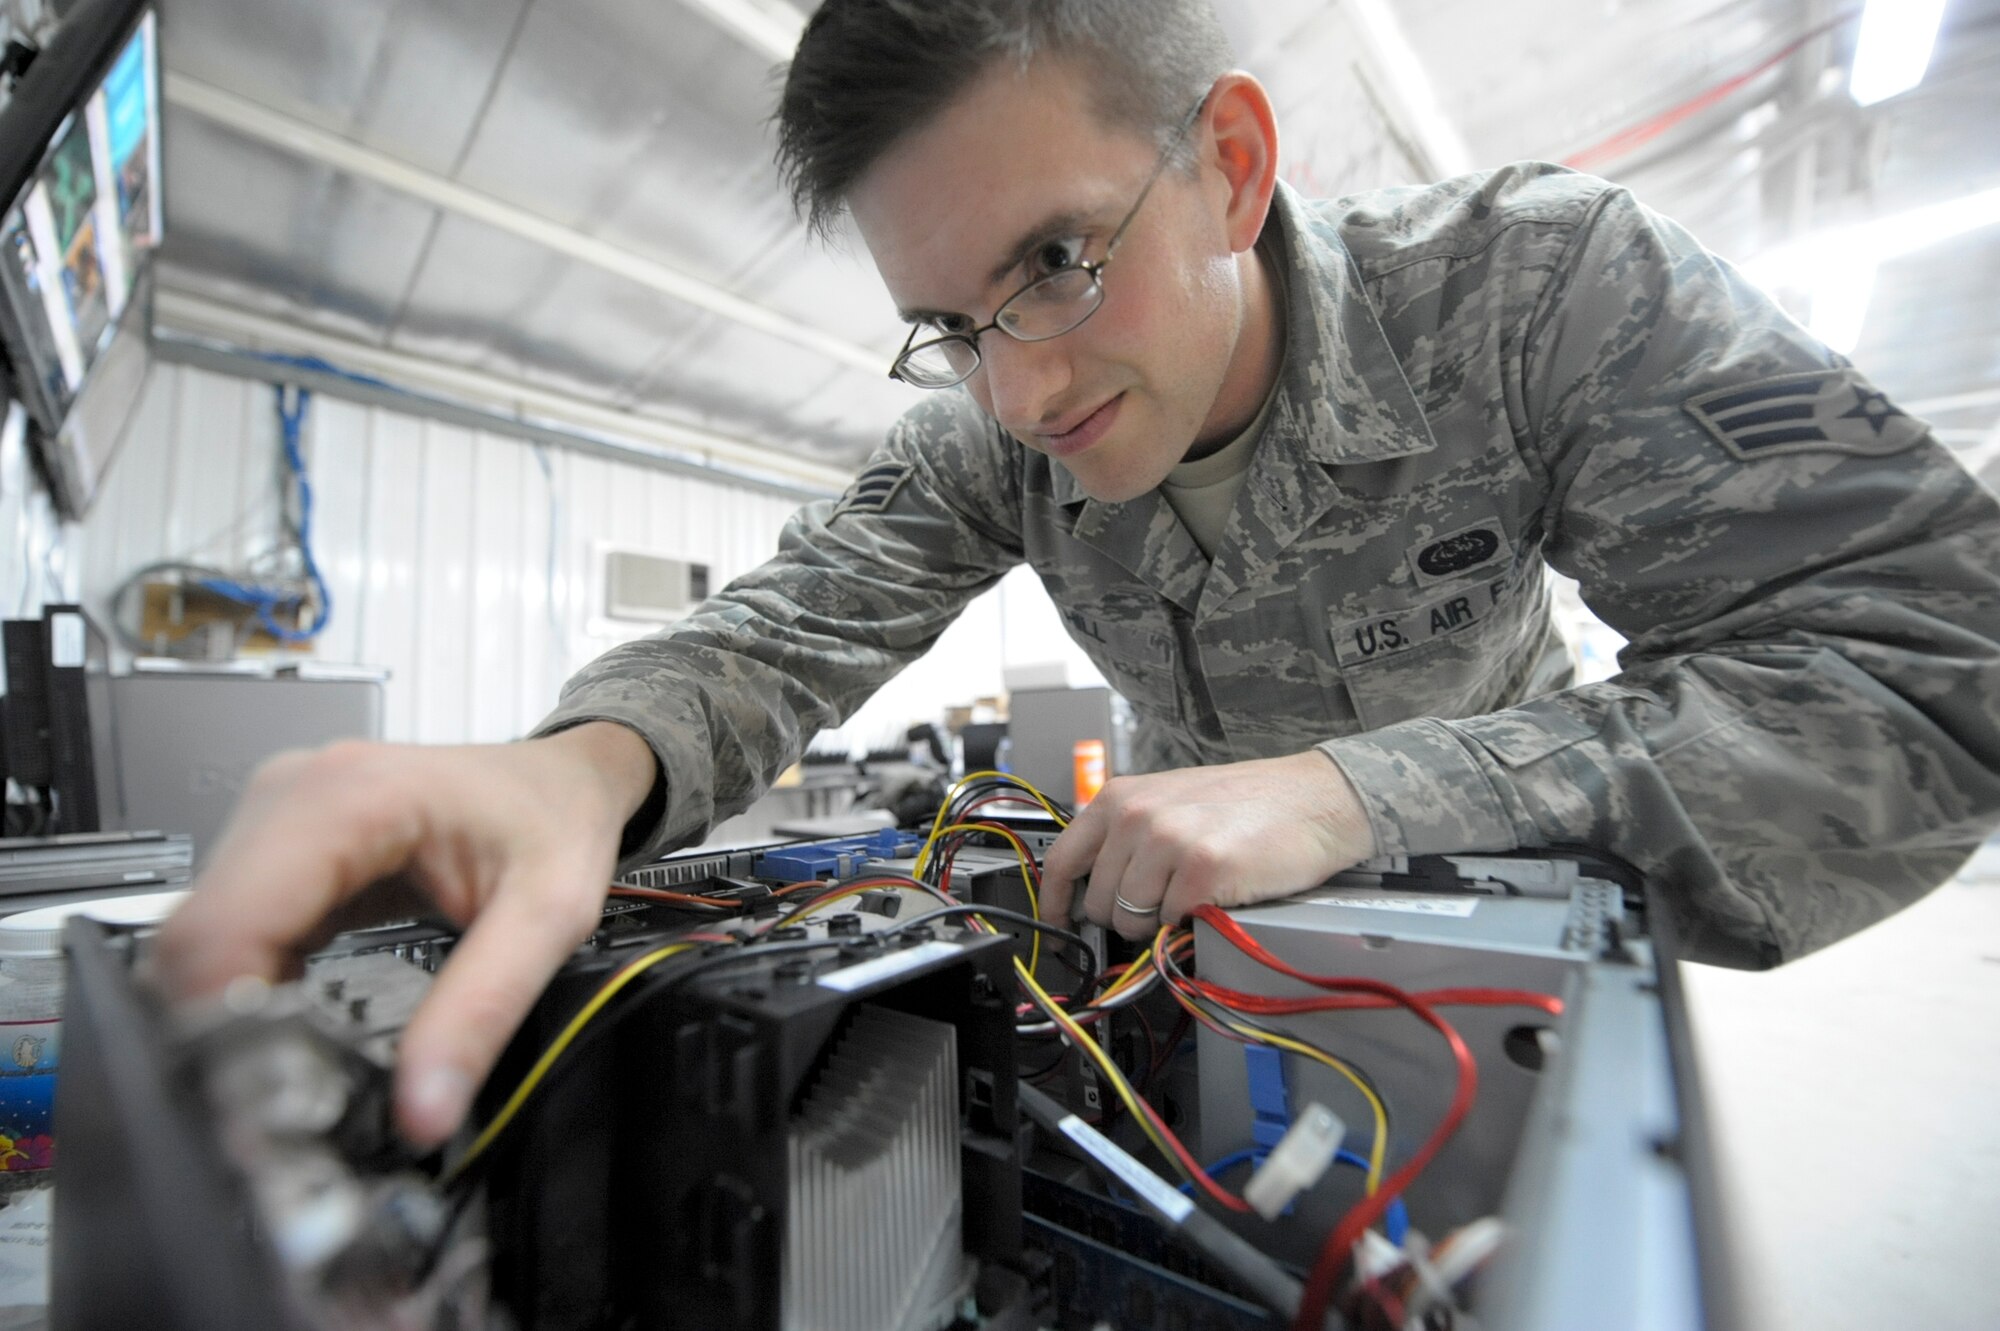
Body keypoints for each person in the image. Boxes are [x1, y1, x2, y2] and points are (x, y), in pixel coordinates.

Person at [158, 0, 2000, 1151]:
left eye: (1058, 260)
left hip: (1491, 1017)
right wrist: (568, 774)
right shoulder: (991, 429)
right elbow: (784, 626)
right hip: (1184, 1002)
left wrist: (1366, 791)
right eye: (950, 323)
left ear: (1231, 163)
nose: (1022, 386)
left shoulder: (1537, 294)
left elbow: (1926, 663)